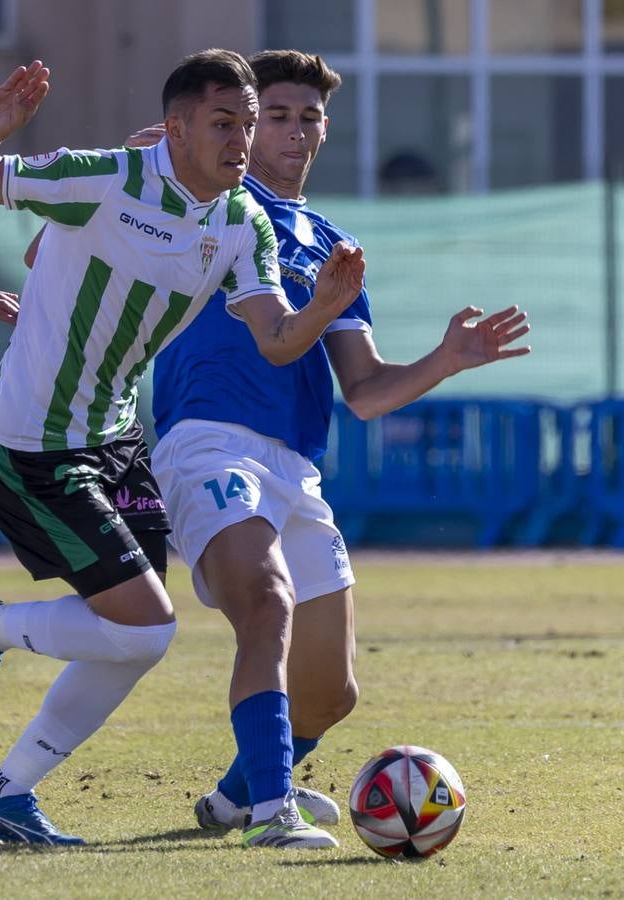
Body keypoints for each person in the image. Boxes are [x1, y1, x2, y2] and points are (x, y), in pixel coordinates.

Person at [0, 50, 365, 847]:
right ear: (176, 128)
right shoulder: (104, 177)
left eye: (247, 122)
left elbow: (274, 338)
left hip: (115, 437)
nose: (243, 140)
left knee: (132, 637)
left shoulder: (241, 219)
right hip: (30, 441)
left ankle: (5, 793)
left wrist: (324, 308)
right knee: (142, 627)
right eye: (225, 123)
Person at [143, 50, 529, 848]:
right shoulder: (210, 198)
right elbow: (148, 169)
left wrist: (446, 358)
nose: (292, 130)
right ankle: (271, 810)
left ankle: (232, 797)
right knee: (265, 603)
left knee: (328, 696)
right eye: (273, 116)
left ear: (324, 127)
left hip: (294, 466)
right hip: (207, 440)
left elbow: (365, 391)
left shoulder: (331, 242)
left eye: (306, 116)